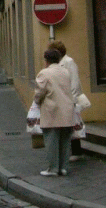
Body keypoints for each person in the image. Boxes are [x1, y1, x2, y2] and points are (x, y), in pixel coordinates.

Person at [34, 49, 74, 177]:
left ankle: (53, 168)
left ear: (46, 60)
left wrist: (36, 101)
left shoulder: (44, 73)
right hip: (67, 110)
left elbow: (39, 92)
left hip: (52, 111)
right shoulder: (65, 72)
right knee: (65, 141)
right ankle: (63, 167)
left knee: (51, 141)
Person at [49, 41, 84, 161]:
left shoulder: (69, 62)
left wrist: (72, 100)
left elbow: (74, 82)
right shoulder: (57, 63)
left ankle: (76, 151)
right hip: (61, 98)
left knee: (72, 124)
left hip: (69, 99)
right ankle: (69, 151)